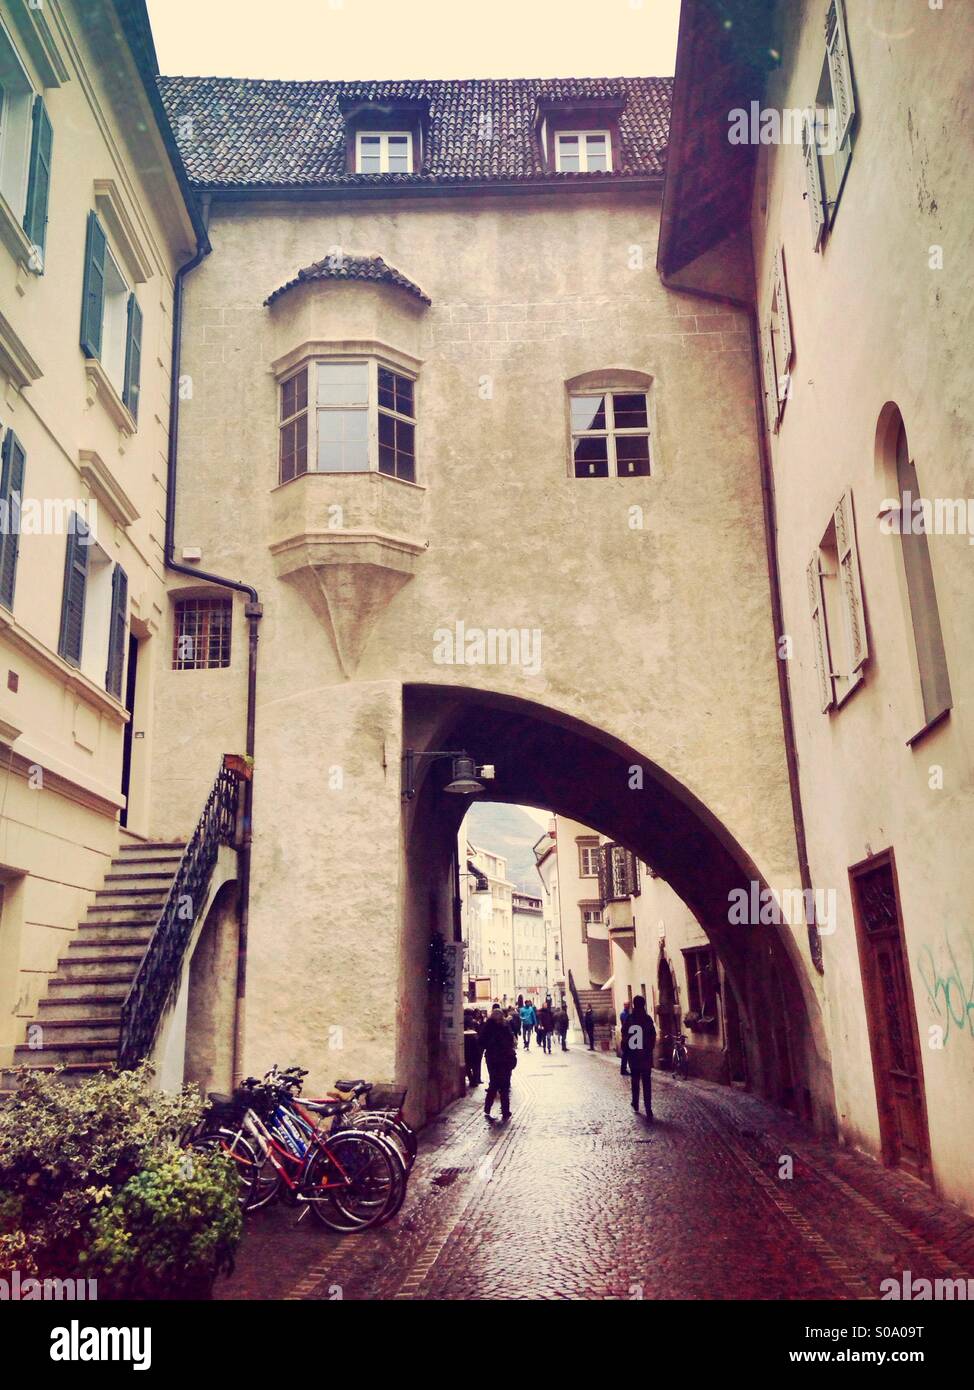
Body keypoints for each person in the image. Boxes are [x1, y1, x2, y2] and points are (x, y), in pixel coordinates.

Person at [480, 1003, 516, 1120]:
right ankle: (505, 1111)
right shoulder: (505, 1027)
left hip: (493, 1059)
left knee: (494, 1083)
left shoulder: (488, 1027)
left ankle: (488, 1108)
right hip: (504, 1059)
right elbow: (511, 1041)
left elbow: (481, 1042)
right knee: (504, 1085)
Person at [626, 995, 657, 1120]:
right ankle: (648, 1107)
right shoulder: (647, 1019)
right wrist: (649, 1049)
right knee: (647, 1082)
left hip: (634, 1056)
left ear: (634, 1004)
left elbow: (625, 1035)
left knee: (635, 1081)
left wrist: (628, 1050)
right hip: (645, 1056)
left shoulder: (630, 1018)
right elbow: (653, 1035)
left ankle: (635, 1103)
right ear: (643, 1004)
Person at [463, 1009, 484, 1088]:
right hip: (475, 1046)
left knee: (467, 1064)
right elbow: (480, 1034)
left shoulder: (461, 1022)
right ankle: (475, 1080)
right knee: (476, 1064)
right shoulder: (474, 1022)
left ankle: (471, 1079)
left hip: (465, 1046)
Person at [619, 1000, 632, 1076]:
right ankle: (623, 1070)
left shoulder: (627, 1014)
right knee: (626, 1054)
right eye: (627, 1005)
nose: (628, 1006)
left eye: (628, 1005)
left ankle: (624, 1069)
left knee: (627, 1054)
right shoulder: (624, 1015)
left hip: (627, 1037)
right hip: (626, 1038)